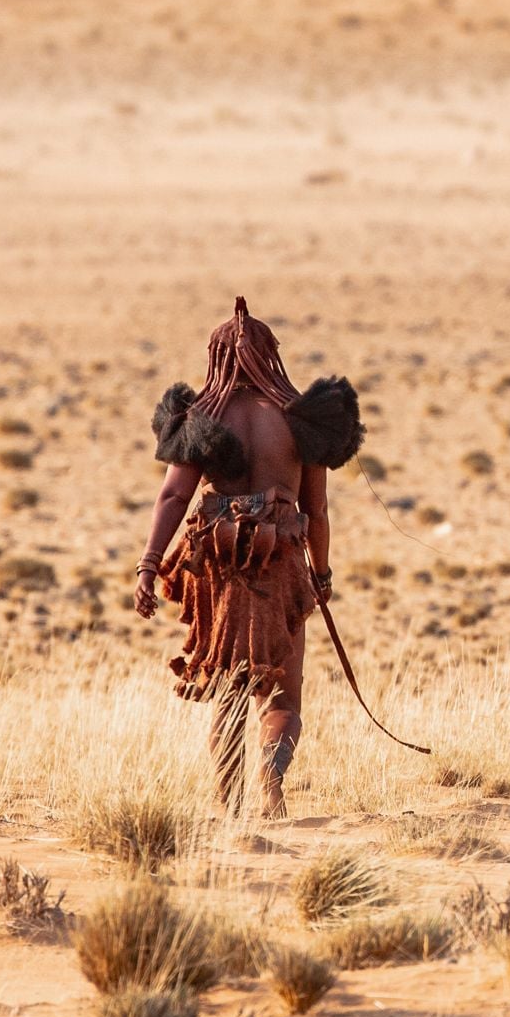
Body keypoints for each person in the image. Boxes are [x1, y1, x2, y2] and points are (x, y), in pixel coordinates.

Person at [134, 298, 362, 818]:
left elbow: (173, 498)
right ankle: (271, 782)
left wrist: (149, 564)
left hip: (217, 566)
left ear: (216, 358)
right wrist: (320, 574)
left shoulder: (201, 419)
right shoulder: (301, 418)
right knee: (283, 698)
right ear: (272, 355)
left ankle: (226, 804)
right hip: (280, 561)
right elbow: (317, 511)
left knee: (228, 690)